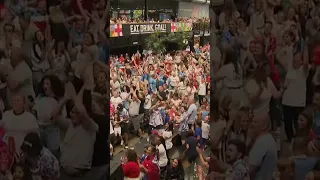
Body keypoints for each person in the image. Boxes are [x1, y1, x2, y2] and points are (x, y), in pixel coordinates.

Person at [248, 113, 278, 180]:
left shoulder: (262, 142)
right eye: (252, 121)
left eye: (255, 122)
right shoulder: (267, 138)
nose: (252, 124)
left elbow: (250, 169)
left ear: (264, 126)